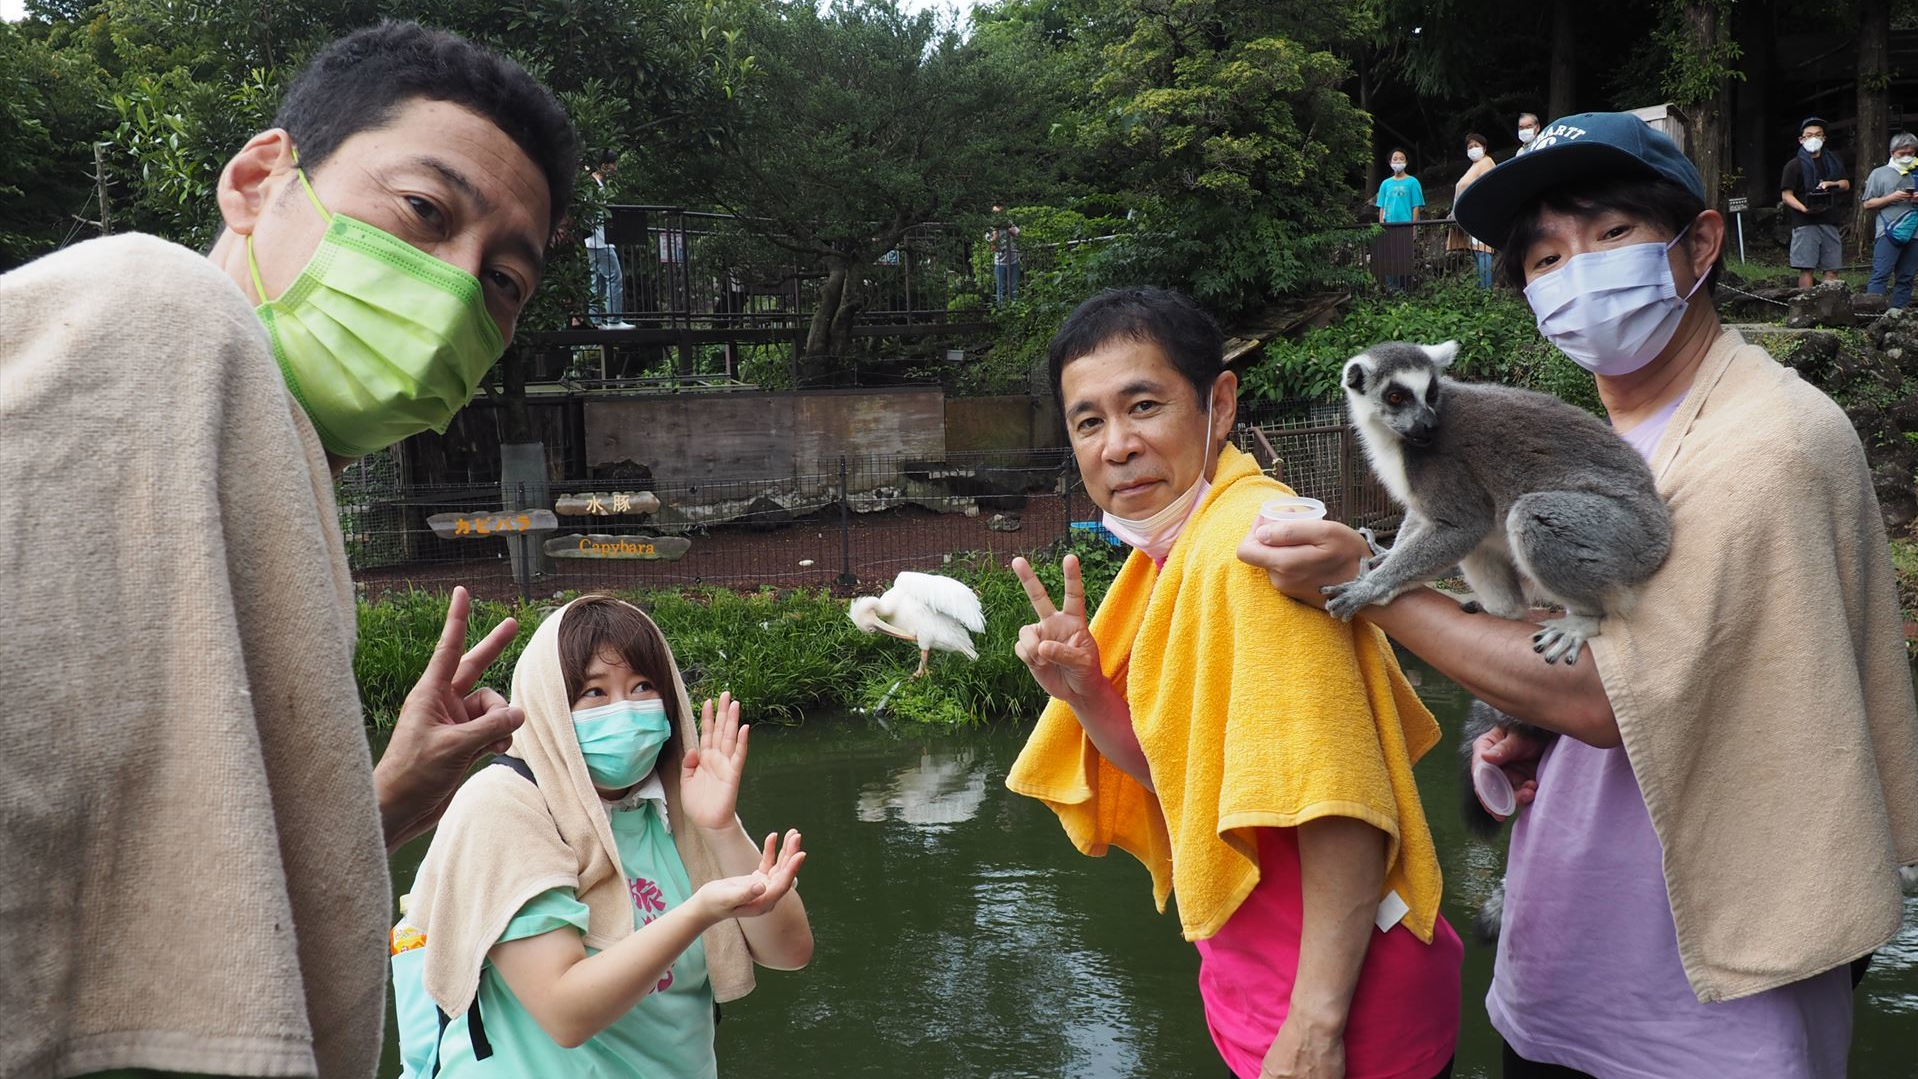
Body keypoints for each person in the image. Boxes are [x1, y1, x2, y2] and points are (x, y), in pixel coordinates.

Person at [1241, 112, 1918, 1079]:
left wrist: (1367, 586)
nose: (1575, 274)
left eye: (1608, 237)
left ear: (1699, 244)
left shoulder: (1767, 442)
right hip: (1570, 970)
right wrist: (1519, 724)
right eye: (1545, 256)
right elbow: (1635, 678)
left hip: (1707, 1002)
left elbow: (1600, 693)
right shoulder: (1594, 432)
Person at [0, 22, 580, 1079]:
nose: (452, 287)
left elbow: (151, 883)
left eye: (503, 281)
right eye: (422, 211)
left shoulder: (271, 472)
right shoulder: (153, 312)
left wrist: (382, 806)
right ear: (258, 180)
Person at [1005, 287, 1462, 1079]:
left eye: (1142, 405)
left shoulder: (1254, 547)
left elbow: (1341, 798)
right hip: (1262, 993)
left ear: (1219, 404)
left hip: (1344, 1018)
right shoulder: (1180, 550)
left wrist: (1318, 1025)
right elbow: (1178, 772)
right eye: (1089, 421)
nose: (1117, 446)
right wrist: (1085, 691)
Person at [393, 595, 812, 1077]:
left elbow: (790, 953)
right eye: (594, 692)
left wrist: (720, 828)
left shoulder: (673, 804)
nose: (625, 710)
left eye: (642, 686)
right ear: (550, 702)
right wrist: (698, 912)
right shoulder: (503, 805)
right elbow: (565, 1012)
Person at [1780, 116, 1851, 290]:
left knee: (1832, 268)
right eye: (1809, 135)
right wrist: (1803, 208)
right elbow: (1786, 195)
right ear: (1801, 139)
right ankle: (1806, 308)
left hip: (1830, 219)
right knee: (1806, 268)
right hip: (1805, 222)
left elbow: (1845, 184)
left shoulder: (1833, 162)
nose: (1814, 138)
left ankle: (1831, 308)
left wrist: (1830, 183)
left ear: (1824, 138)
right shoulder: (1793, 165)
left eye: (1818, 135)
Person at [1860, 131, 1918, 309]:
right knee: (1881, 273)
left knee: (1907, 276)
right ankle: (1871, 314)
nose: (1907, 157)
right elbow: (1867, 204)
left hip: (1915, 232)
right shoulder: (1879, 174)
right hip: (1888, 230)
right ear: (1892, 152)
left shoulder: (1916, 172)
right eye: (1903, 154)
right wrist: (1892, 197)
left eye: (1911, 153)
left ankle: (1898, 314)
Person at [586, 148, 634, 330]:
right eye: (613, 164)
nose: (616, 167)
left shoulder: (595, 184)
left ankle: (595, 322)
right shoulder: (593, 185)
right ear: (605, 165)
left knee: (597, 282)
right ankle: (614, 320)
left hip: (595, 241)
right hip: (599, 241)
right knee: (615, 277)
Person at [1450, 133, 1497, 287]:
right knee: (1477, 252)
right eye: (1470, 147)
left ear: (1484, 147)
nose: (1473, 149)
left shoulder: (1486, 162)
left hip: (1481, 214)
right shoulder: (1474, 166)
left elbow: (1487, 187)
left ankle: (1486, 290)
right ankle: (1482, 288)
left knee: (1483, 251)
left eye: (1476, 146)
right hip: (1469, 215)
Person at [1377, 149, 1424, 291]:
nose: (1398, 162)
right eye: (1395, 159)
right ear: (1390, 162)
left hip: (1405, 226)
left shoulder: (1412, 182)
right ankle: (1392, 289)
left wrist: (1414, 226)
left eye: (1401, 159)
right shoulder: (1385, 184)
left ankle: (1405, 289)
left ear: (1406, 162)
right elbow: (1382, 206)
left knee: (1404, 258)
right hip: (1389, 226)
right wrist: (1381, 225)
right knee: (1390, 258)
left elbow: (1416, 206)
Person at [986, 204, 1022, 302]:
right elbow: (993, 248)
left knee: (1014, 289)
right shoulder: (990, 228)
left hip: (1014, 260)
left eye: (1000, 213)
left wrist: (1009, 229)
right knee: (1001, 289)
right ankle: (1001, 312)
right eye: (995, 213)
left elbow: (1018, 236)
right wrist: (996, 232)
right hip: (1000, 262)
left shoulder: (1010, 223)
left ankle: (1015, 311)